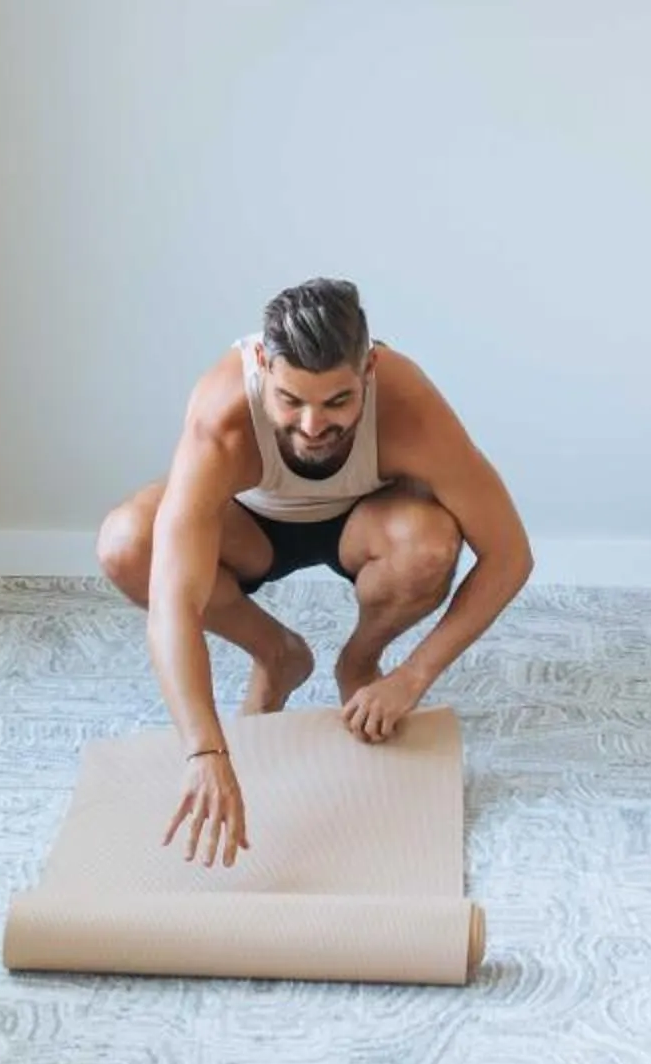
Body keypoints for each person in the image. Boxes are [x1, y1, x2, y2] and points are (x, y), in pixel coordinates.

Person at [95, 278, 533, 868]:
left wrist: (409, 678)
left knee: (429, 547)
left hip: (369, 525)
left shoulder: (409, 405)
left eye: (337, 402)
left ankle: (358, 660)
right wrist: (205, 752)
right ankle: (277, 654)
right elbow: (174, 603)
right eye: (290, 400)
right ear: (260, 365)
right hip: (250, 528)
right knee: (128, 545)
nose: (311, 426)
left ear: (369, 370)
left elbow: (510, 555)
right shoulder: (220, 416)